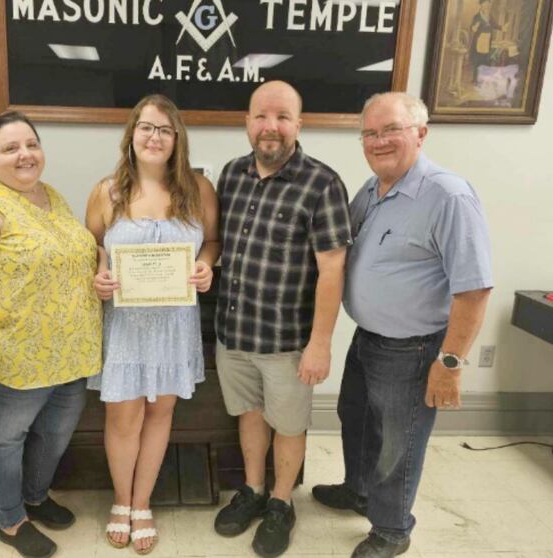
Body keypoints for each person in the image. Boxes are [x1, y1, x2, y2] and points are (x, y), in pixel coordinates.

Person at [312, 92, 492, 558]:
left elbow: (474, 289)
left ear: (420, 133)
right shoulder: (371, 190)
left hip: (412, 349)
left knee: (398, 444)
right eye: (369, 133)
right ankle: (360, 491)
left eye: (390, 129)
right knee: (356, 419)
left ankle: (392, 530)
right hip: (367, 337)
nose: (378, 141)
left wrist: (449, 363)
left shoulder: (448, 195)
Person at [0, 111, 102, 558]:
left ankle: (35, 497)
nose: (24, 154)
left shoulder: (50, 196)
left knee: (53, 435)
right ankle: (9, 521)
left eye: (31, 144)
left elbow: (76, 249)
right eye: (10, 148)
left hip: (67, 356)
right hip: (4, 358)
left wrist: (102, 262)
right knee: (2, 442)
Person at [212, 80, 352, 558]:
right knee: (250, 416)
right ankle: (252, 490)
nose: (271, 127)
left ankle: (280, 502)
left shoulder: (322, 183)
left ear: (299, 123)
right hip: (234, 334)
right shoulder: (230, 175)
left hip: (289, 341)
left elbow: (333, 269)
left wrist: (321, 343)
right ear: (247, 122)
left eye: (282, 117)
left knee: (289, 425)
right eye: (261, 116)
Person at [85, 94, 220, 555]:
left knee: (161, 412)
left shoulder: (198, 189)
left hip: (174, 323)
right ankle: (121, 501)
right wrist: (99, 273)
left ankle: (142, 503)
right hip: (124, 323)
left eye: (165, 129)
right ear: (132, 133)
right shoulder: (108, 191)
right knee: (124, 417)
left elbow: (213, 241)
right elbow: (94, 246)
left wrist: (206, 264)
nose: (154, 137)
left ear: (177, 138)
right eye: (146, 127)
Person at [470, 0, 503, 83]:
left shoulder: (489, 16)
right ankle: (475, 80)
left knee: (485, 60)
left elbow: (494, 25)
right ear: (481, 5)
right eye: (484, 4)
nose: (486, 6)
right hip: (479, 41)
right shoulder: (477, 16)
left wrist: (502, 28)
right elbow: (472, 28)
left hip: (487, 41)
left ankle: (483, 79)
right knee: (478, 61)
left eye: (488, 4)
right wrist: (474, 28)